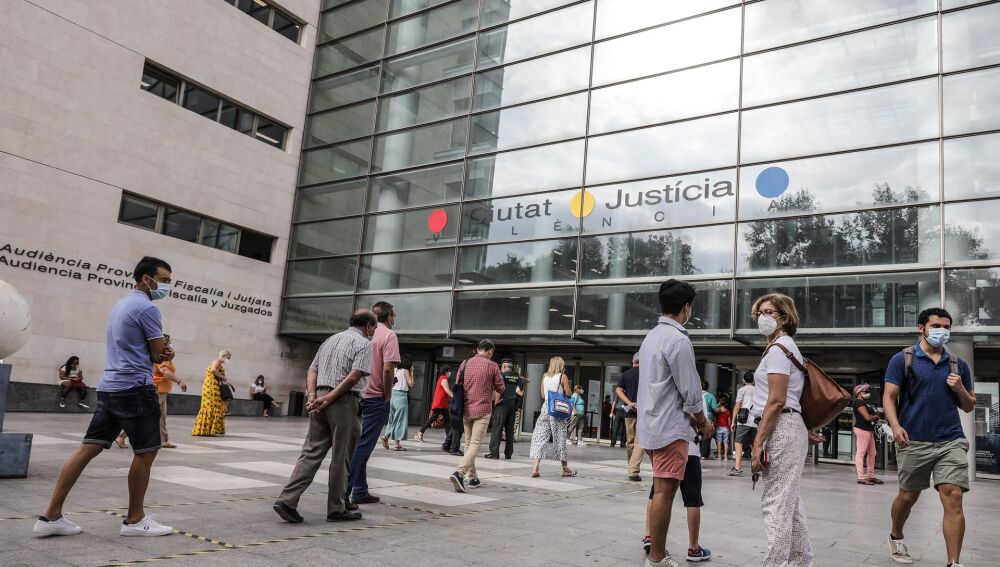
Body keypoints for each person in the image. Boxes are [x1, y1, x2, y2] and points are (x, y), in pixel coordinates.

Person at [34, 256, 176, 537]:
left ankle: (51, 515)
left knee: (88, 448)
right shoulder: (148, 308)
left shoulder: (121, 304)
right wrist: (167, 352)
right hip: (135, 387)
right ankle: (135, 520)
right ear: (146, 279)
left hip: (109, 386)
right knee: (146, 451)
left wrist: (158, 351)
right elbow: (157, 353)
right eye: (164, 280)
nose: (167, 286)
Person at [883, 307, 975, 567]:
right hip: (913, 440)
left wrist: (959, 388)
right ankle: (896, 535)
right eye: (936, 326)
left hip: (951, 440)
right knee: (908, 496)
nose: (942, 331)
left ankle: (954, 563)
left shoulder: (958, 365)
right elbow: (889, 396)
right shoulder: (903, 359)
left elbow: (969, 405)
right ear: (921, 328)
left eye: (946, 327)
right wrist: (895, 425)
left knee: (953, 495)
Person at [272, 309, 376, 524]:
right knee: (342, 456)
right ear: (367, 326)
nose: (373, 332)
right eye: (373, 328)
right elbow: (354, 376)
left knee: (311, 451)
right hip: (344, 401)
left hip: (319, 397)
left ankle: (287, 500)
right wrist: (330, 398)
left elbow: (312, 370)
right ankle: (336, 508)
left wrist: (313, 396)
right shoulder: (363, 344)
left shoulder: (330, 340)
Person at [638, 279, 713, 567]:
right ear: (686, 307)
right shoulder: (678, 339)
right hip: (670, 429)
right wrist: (703, 422)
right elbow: (691, 390)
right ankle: (657, 557)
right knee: (664, 492)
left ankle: (657, 552)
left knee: (660, 489)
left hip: (652, 425)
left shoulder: (651, 337)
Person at [750, 292, 819, 567]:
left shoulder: (779, 349)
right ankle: (801, 560)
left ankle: (775, 564)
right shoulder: (783, 347)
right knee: (789, 502)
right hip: (788, 426)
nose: (762, 318)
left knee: (775, 502)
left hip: (781, 427)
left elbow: (777, 400)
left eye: (769, 312)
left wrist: (758, 442)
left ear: (785, 317)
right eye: (759, 313)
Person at [347, 302, 400, 506]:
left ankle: (360, 490)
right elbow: (387, 369)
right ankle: (343, 494)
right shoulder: (389, 335)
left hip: (356, 395)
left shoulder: (363, 335)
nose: (395, 319)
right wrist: (387, 395)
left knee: (359, 444)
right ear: (389, 317)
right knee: (363, 447)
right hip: (375, 398)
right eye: (394, 316)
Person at [642, 434, 712, 562]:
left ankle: (649, 535)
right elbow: (699, 422)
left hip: (666, 449)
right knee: (693, 500)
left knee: (657, 493)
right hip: (689, 449)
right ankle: (694, 548)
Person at [448, 340, 504, 493]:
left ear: (478, 349)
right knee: (476, 444)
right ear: (490, 351)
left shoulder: (465, 363)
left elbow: (457, 383)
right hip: (483, 410)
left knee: (468, 443)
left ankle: (472, 478)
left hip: (465, 408)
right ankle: (459, 472)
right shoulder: (492, 366)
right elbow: (501, 388)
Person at [527, 357, 577, 479]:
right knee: (560, 438)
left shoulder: (545, 376)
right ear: (560, 365)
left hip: (545, 408)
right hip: (557, 409)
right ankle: (565, 469)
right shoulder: (562, 376)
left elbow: (543, 395)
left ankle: (535, 468)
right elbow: (568, 393)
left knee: (539, 437)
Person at [152, 334, 186, 449]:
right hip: (158, 388)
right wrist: (179, 381)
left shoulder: (165, 354)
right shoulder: (161, 355)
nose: (171, 344)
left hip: (162, 390)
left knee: (162, 416)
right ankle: (122, 436)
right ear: (165, 342)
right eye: (170, 342)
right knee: (149, 415)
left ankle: (163, 440)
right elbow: (165, 371)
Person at [486, 358, 524, 459]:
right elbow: (520, 393)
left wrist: (496, 401)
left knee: (497, 429)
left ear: (503, 366)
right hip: (512, 405)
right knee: (510, 430)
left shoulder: (501, 375)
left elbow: (498, 389)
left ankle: (494, 453)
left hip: (502, 404)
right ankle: (508, 453)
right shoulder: (517, 377)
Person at [614, 354, 642, 481]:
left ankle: (631, 468)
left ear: (633, 361)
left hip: (629, 412)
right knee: (639, 442)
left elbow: (618, 390)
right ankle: (633, 470)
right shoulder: (646, 375)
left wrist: (630, 403)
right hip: (643, 413)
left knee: (630, 441)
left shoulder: (625, 375)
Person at [191, 351, 231, 437]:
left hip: (211, 386)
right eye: (228, 358)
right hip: (212, 387)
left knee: (211, 406)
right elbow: (213, 370)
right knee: (216, 406)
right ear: (224, 356)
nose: (228, 360)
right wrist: (223, 377)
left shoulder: (218, 362)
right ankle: (213, 430)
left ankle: (207, 430)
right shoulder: (217, 361)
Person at [381, 354, 413, 451]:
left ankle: (386, 436)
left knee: (392, 419)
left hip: (393, 396)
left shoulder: (394, 370)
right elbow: (411, 384)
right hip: (401, 397)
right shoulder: (405, 370)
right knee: (400, 420)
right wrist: (412, 372)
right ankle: (396, 445)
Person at [852, 384, 882, 485]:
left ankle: (870, 476)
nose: (868, 393)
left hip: (868, 429)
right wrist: (876, 417)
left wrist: (874, 417)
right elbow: (867, 418)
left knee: (872, 453)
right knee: (861, 453)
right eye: (866, 392)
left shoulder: (864, 403)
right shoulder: (859, 402)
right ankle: (861, 477)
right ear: (859, 393)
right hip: (862, 429)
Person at [728, 372, 757, 476]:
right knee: (754, 445)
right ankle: (755, 467)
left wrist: (733, 422)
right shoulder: (758, 390)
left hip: (743, 421)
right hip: (755, 421)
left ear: (743, 380)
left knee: (738, 443)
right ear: (753, 380)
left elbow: (737, 406)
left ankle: (737, 467)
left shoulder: (742, 390)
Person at [415, 366, 452, 444]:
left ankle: (449, 439)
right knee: (434, 419)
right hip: (440, 403)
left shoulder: (442, 378)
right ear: (445, 372)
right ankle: (420, 433)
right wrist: (454, 397)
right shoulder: (443, 378)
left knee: (447, 421)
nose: (449, 373)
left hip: (442, 404)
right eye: (449, 371)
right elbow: (447, 391)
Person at [444, 363, 465, 455]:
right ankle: (454, 448)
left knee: (454, 425)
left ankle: (447, 444)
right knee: (458, 426)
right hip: (458, 406)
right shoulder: (462, 385)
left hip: (455, 405)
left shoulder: (458, 383)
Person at [700, 380, 718, 459]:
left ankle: (698, 453)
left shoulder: (696, 394)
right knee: (707, 435)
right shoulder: (710, 396)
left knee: (698, 435)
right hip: (707, 418)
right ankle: (704, 454)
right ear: (708, 387)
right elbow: (715, 408)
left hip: (696, 417)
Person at [714, 396, 731, 461]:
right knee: (725, 442)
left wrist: (714, 426)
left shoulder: (717, 411)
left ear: (719, 403)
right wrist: (728, 427)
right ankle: (725, 456)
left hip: (718, 427)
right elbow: (729, 421)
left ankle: (719, 456)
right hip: (726, 428)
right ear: (726, 404)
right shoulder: (728, 411)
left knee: (719, 442)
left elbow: (715, 419)